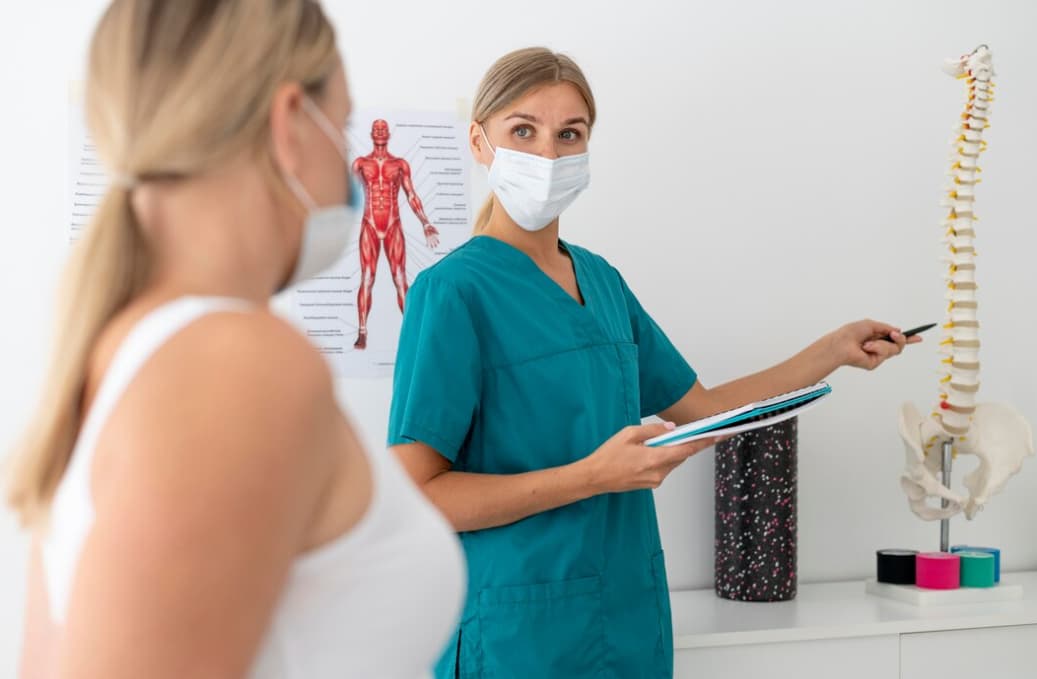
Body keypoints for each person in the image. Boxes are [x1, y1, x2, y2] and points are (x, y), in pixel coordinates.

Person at [388, 47, 918, 679]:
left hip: (628, 615)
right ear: (481, 142)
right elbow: (416, 496)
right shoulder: (452, 293)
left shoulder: (603, 282)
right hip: (519, 631)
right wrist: (591, 475)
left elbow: (702, 410)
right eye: (523, 131)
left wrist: (830, 352)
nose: (547, 155)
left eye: (570, 135)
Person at [6, 2, 463, 678]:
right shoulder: (234, 363)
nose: (346, 161)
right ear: (288, 124)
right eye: (339, 125)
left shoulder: (119, 352)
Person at [352, 119, 440, 349]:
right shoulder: (360, 163)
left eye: (383, 130)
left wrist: (425, 222)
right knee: (367, 279)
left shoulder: (399, 165)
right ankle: (362, 331)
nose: (380, 133)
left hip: (392, 224)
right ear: (372, 134)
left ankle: (411, 330)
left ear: (388, 134)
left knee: (400, 278)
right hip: (370, 223)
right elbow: (346, 193)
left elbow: (411, 195)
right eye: (377, 130)